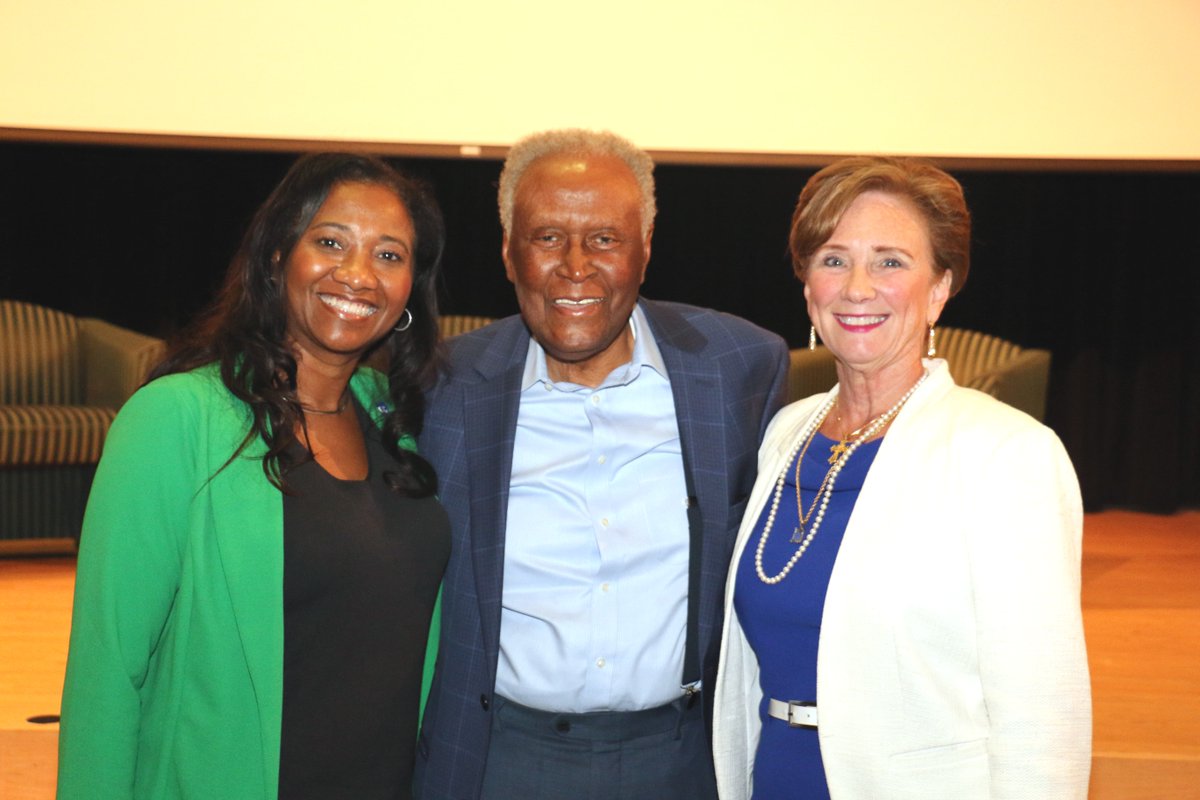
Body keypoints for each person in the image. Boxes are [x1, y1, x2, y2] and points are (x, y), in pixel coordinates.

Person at [57, 153, 450, 799]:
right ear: (275, 258)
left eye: (389, 255)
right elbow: (108, 666)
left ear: (411, 288)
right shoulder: (176, 420)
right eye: (330, 242)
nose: (358, 275)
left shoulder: (394, 418)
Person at [413, 129, 790, 800]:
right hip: (500, 759)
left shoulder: (740, 367)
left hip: (683, 763)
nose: (576, 266)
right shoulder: (441, 389)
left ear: (644, 250)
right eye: (548, 237)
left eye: (606, 239)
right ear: (508, 253)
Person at [712, 156, 1092, 798]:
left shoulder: (1006, 455)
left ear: (939, 288)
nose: (858, 287)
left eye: (890, 260)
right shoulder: (785, 434)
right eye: (833, 259)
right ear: (808, 286)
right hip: (773, 779)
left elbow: (1043, 719)